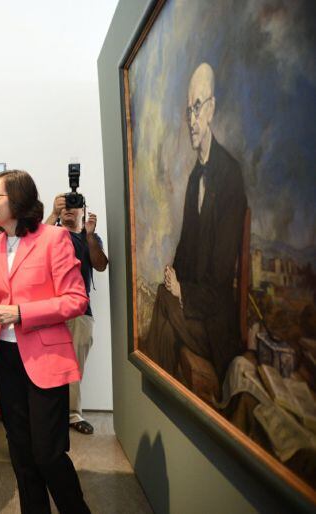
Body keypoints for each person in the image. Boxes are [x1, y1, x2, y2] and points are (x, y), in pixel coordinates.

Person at [0, 170, 90, 514]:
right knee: (21, 454)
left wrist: (23, 313)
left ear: (19, 199)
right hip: (6, 361)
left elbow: (75, 300)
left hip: (44, 361)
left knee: (48, 454)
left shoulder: (54, 239)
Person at [142, 62, 248, 386]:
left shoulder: (229, 177)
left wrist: (180, 291)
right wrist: (174, 275)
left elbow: (219, 281)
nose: (190, 120)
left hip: (214, 323)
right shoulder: (193, 178)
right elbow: (187, 246)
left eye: (197, 109)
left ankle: (154, 386)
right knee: (163, 295)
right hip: (192, 306)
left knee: (162, 301)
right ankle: (158, 384)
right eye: (188, 111)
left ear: (211, 109)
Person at [46, 194, 108, 434]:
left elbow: (101, 265)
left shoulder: (89, 238)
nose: (69, 211)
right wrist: (52, 214)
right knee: (49, 365)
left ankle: (72, 414)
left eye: (75, 207)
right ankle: (51, 413)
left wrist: (90, 235)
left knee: (73, 365)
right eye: (65, 207)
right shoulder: (50, 234)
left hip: (80, 311)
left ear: (84, 210)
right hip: (49, 310)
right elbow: (29, 246)